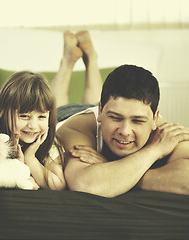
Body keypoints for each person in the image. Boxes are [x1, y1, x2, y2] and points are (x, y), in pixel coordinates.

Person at [0, 30, 102, 191]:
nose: (33, 126)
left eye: (41, 116)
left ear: (48, 116)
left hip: (73, 117)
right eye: (23, 115)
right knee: (56, 106)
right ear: (3, 112)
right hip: (59, 116)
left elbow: (58, 185)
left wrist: (30, 157)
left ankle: (89, 59)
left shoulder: (49, 142)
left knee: (92, 105)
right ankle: (68, 61)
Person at [57, 64, 189, 197]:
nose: (125, 131)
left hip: (105, 107)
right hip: (65, 114)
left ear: (154, 118)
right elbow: (85, 184)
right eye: (115, 118)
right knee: (52, 104)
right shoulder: (75, 128)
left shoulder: (165, 134)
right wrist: (154, 151)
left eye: (137, 121)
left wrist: (114, 169)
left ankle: (91, 59)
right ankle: (70, 63)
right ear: (100, 111)